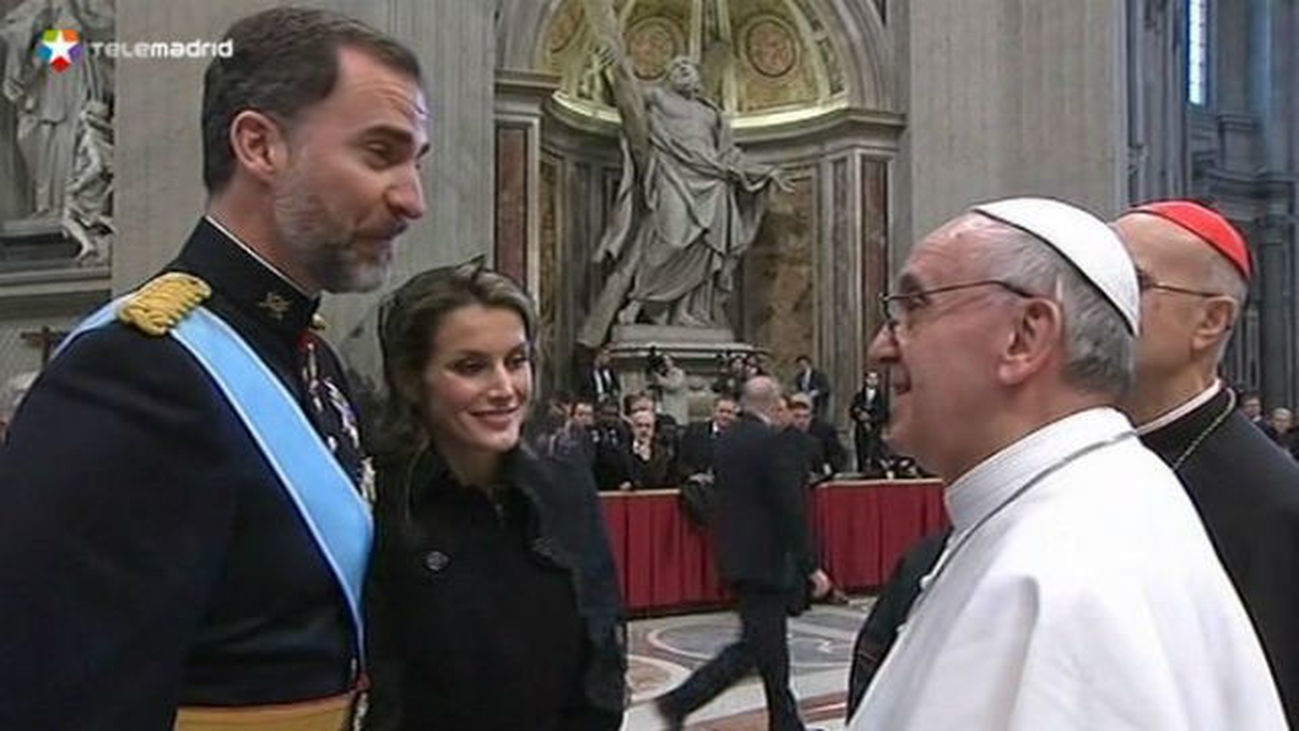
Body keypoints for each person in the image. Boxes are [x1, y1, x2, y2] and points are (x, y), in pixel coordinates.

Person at [0, 9, 427, 729]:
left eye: (417, 160)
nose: (413, 198)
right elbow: (56, 691)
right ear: (260, 145)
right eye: (380, 153)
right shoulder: (134, 371)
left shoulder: (310, 358)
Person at [849, 197, 1285, 729]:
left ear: (1025, 336)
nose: (880, 348)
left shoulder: (1072, 576)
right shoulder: (1061, 510)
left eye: (914, 308)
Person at [364, 263, 625, 730]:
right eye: (471, 367)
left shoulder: (562, 477)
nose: (505, 389)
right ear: (411, 379)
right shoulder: (377, 500)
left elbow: (601, 638)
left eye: (517, 361)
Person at [1113, 199, 1299, 725]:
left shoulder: (1277, 507)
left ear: (1211, 321)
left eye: (1132, 283)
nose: (1095, 302)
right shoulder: (1069, 454)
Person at [575, 0, 787, 344]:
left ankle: (691, 312)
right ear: (668, 77)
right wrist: (613, 67)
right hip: (673, 176)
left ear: (698, 78)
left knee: (706, 249)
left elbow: (728, 155)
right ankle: (638, 302)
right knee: (669, 240)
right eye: (677, 68)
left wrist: (762, 173)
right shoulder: (659, 98)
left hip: (712, 183)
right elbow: (627, 93)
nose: (684, 71)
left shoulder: (712, 114)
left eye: (689, 68)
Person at [656, 376, 828, 731]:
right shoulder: (770, 443)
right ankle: (681, 700)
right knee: (755, 646)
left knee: (770, 647)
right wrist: (811, 565)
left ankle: (786, 723)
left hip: (735, 553)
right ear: (773, 403)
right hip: (766, 559)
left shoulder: (727, 440)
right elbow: (788, 507)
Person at [678, 394, 737, 478]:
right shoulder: (694, 432)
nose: (725, 416)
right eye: (721, 411)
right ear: (713, 412)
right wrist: (693, 476)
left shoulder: (741, 436)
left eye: (729, 412)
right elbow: (681, 463)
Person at [789, 392, 848, 478]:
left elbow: (838, 456)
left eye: (805, 416)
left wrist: (828, 470)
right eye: (797, 416)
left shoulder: (825, 431)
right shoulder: (781, 433)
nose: (801, 421)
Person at [848, 370, 888, 474]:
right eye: (870, 378)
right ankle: (861, 470)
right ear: (866, 380)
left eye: (875, 379)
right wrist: (860, 416)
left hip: (874, 429)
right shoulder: (859, 396)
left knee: (873, 450)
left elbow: (884, 413)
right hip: (861, 429)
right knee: (861, 450)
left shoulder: (881, 398)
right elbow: (852, 410)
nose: (872, 381)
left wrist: (870, 419)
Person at [792, 354, 831, 421]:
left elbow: (826, 388)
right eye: (800, 365)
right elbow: (798, 388)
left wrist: (815, 393)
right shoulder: (799, 377)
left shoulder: (819, 375)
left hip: (818, 402)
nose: (802, 366)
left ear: (808, 364)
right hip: (805, 401)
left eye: (803, 364)